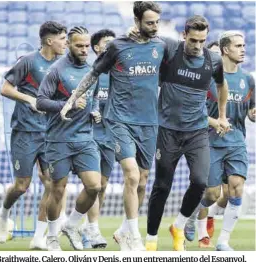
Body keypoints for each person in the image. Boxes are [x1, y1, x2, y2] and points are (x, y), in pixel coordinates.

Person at [60, 1, 167, 251]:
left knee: (142, 180)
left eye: (157, 23)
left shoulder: (162, 46)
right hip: (119, 120)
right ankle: (134, 236)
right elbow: (93, 74)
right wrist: (72, 100)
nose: (154, 27)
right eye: (149, 23)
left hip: (149, 122)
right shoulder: (118, 46)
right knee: (130, 174)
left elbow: (184, 62)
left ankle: (121, 229)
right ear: (137, 21)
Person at [145, 15, 230, 251]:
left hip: (196, 132)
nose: (197, 45)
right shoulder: (171, 49)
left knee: (200, 181)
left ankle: (179, 226)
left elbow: (223, 86)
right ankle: (151, 240)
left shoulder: (213, 60)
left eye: (202, 40)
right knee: (162, 185)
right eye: (193, 40)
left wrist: (222, 115)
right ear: (184, 36)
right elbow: (148, 37)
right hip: (168, 131)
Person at [0, 21, 67, 250]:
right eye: (62, 39)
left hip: (50, 132)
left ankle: (39, 238)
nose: (65, 43)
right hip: (25, 131)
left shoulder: (62, 64)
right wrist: (30, 100)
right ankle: (3, 215)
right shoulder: (28, 61)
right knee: (21, 186)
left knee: (51, 182)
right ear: (50, 40)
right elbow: (5, 89)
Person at [185, 31, 255, 251]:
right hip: (210, 142)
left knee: (236, 189)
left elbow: (251, 110)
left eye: (244, 45)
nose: (243, 49)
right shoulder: (208, 78)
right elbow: (193, 111)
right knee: (213, 194)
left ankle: (223, 241)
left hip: (236, 143)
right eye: (238, 45)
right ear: (225, 49)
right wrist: (215, 122)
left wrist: (253, 114)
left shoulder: (248, 79)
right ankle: (194, 214)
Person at [37, 26, 101, 251]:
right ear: (69, 46)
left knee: (94, 186)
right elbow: (41, 102)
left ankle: (72, 225)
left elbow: (94, 98)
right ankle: (52, 236)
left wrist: (96, 111)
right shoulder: (57, 70)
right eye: (79, 45)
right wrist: (69, 104)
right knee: (58, 189)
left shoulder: (94, 71)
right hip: (58, 139)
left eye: (86, 46)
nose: (84, 50)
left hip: (85, 139)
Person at [184, 41, 229, 244]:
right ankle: (192, 222)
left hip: (227, 140)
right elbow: (191, 109)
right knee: (203, 186)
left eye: (219, 54)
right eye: (212, 54)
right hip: (199, 137)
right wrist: (214, 121)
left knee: (225, 193)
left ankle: (204, 218)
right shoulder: (196, 80)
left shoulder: (229, 81)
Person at [79, 29, 116, 249]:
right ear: (96, 48)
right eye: (107, 43)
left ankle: (90, 226)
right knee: (92, 185)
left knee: (102, 186)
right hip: (90, 135)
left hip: (110, 136)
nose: (112, 45)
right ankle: (90, 228)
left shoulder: (119, 74)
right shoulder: (90, 73)